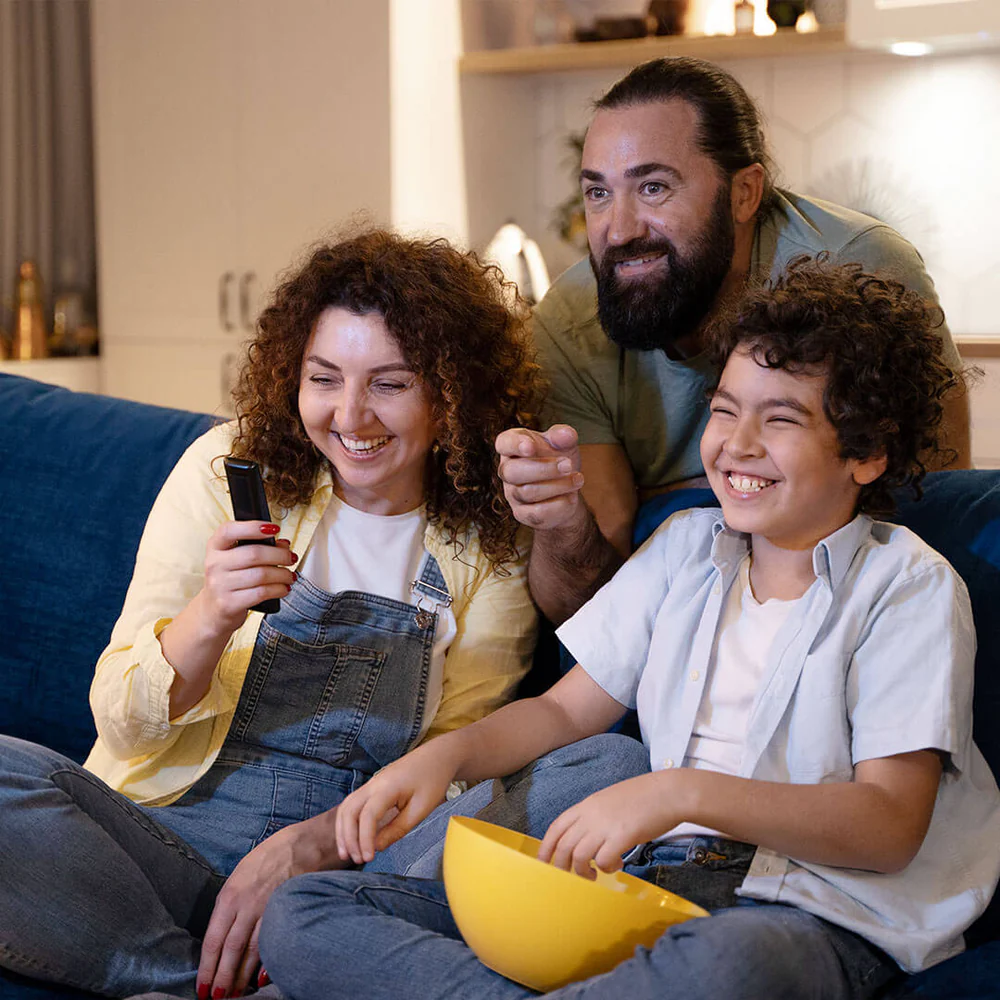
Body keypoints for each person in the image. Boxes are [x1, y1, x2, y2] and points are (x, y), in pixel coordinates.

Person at [257, 257, 1000, 1000]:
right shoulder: (684, 549)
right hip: (654, 890)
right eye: (724, 409)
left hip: (812, 913)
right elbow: (562, 710)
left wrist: (678, 794)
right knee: (304, 912)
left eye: (780, 420)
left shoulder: (907, 588)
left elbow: (888, 824)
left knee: (729, 965)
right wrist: (439, 762)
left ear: (866, 453)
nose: (737, 445)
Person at [0, 230, 544, 1000]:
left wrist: (312, 847)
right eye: (324, 378)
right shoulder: (226, 470)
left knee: (578, 775)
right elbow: (119, 720)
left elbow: (450, 769)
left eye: (389, 384)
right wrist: (211, 614)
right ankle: (191, 976)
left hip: (336, 875)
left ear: (453, 394)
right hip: (159, 847)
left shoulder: (488, 535)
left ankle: (286, 955)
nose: (350, 415)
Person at [496, 56, 971, 627]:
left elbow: (936, 506)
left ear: (744, 193)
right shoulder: (570, 319)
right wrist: (562, 524)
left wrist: (675, 497)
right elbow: (593, 609)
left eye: (653, 188)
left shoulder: (861, 267)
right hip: (670, 636)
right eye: (598, 194)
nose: (618, 230)